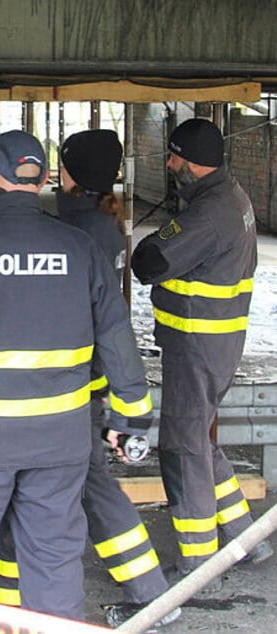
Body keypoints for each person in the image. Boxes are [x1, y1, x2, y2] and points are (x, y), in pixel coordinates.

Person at [0, 130, 153, 622]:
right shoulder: (78, 248)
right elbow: (118, 340)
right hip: (59, 440)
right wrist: (133, 416)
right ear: (39, 181)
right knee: (54, 557)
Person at [0, 129, 178, 629]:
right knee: (51, 489)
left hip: (74, 385)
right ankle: (4, 602)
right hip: (84, 377)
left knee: (89, 489)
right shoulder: (97, 221)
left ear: (70, 175)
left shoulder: (78, 230)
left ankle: (153, 597)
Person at [131, 118, 273, 588]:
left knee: (182, 446)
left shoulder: (209, 215)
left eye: (172, 159)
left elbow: (150, 262)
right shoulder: (229, 194)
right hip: (214, 343)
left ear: (189, 162)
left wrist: (152, 239)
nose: (169, 167)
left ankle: (198, 563)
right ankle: (244, 536)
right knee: (200, 440)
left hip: (196, 345)